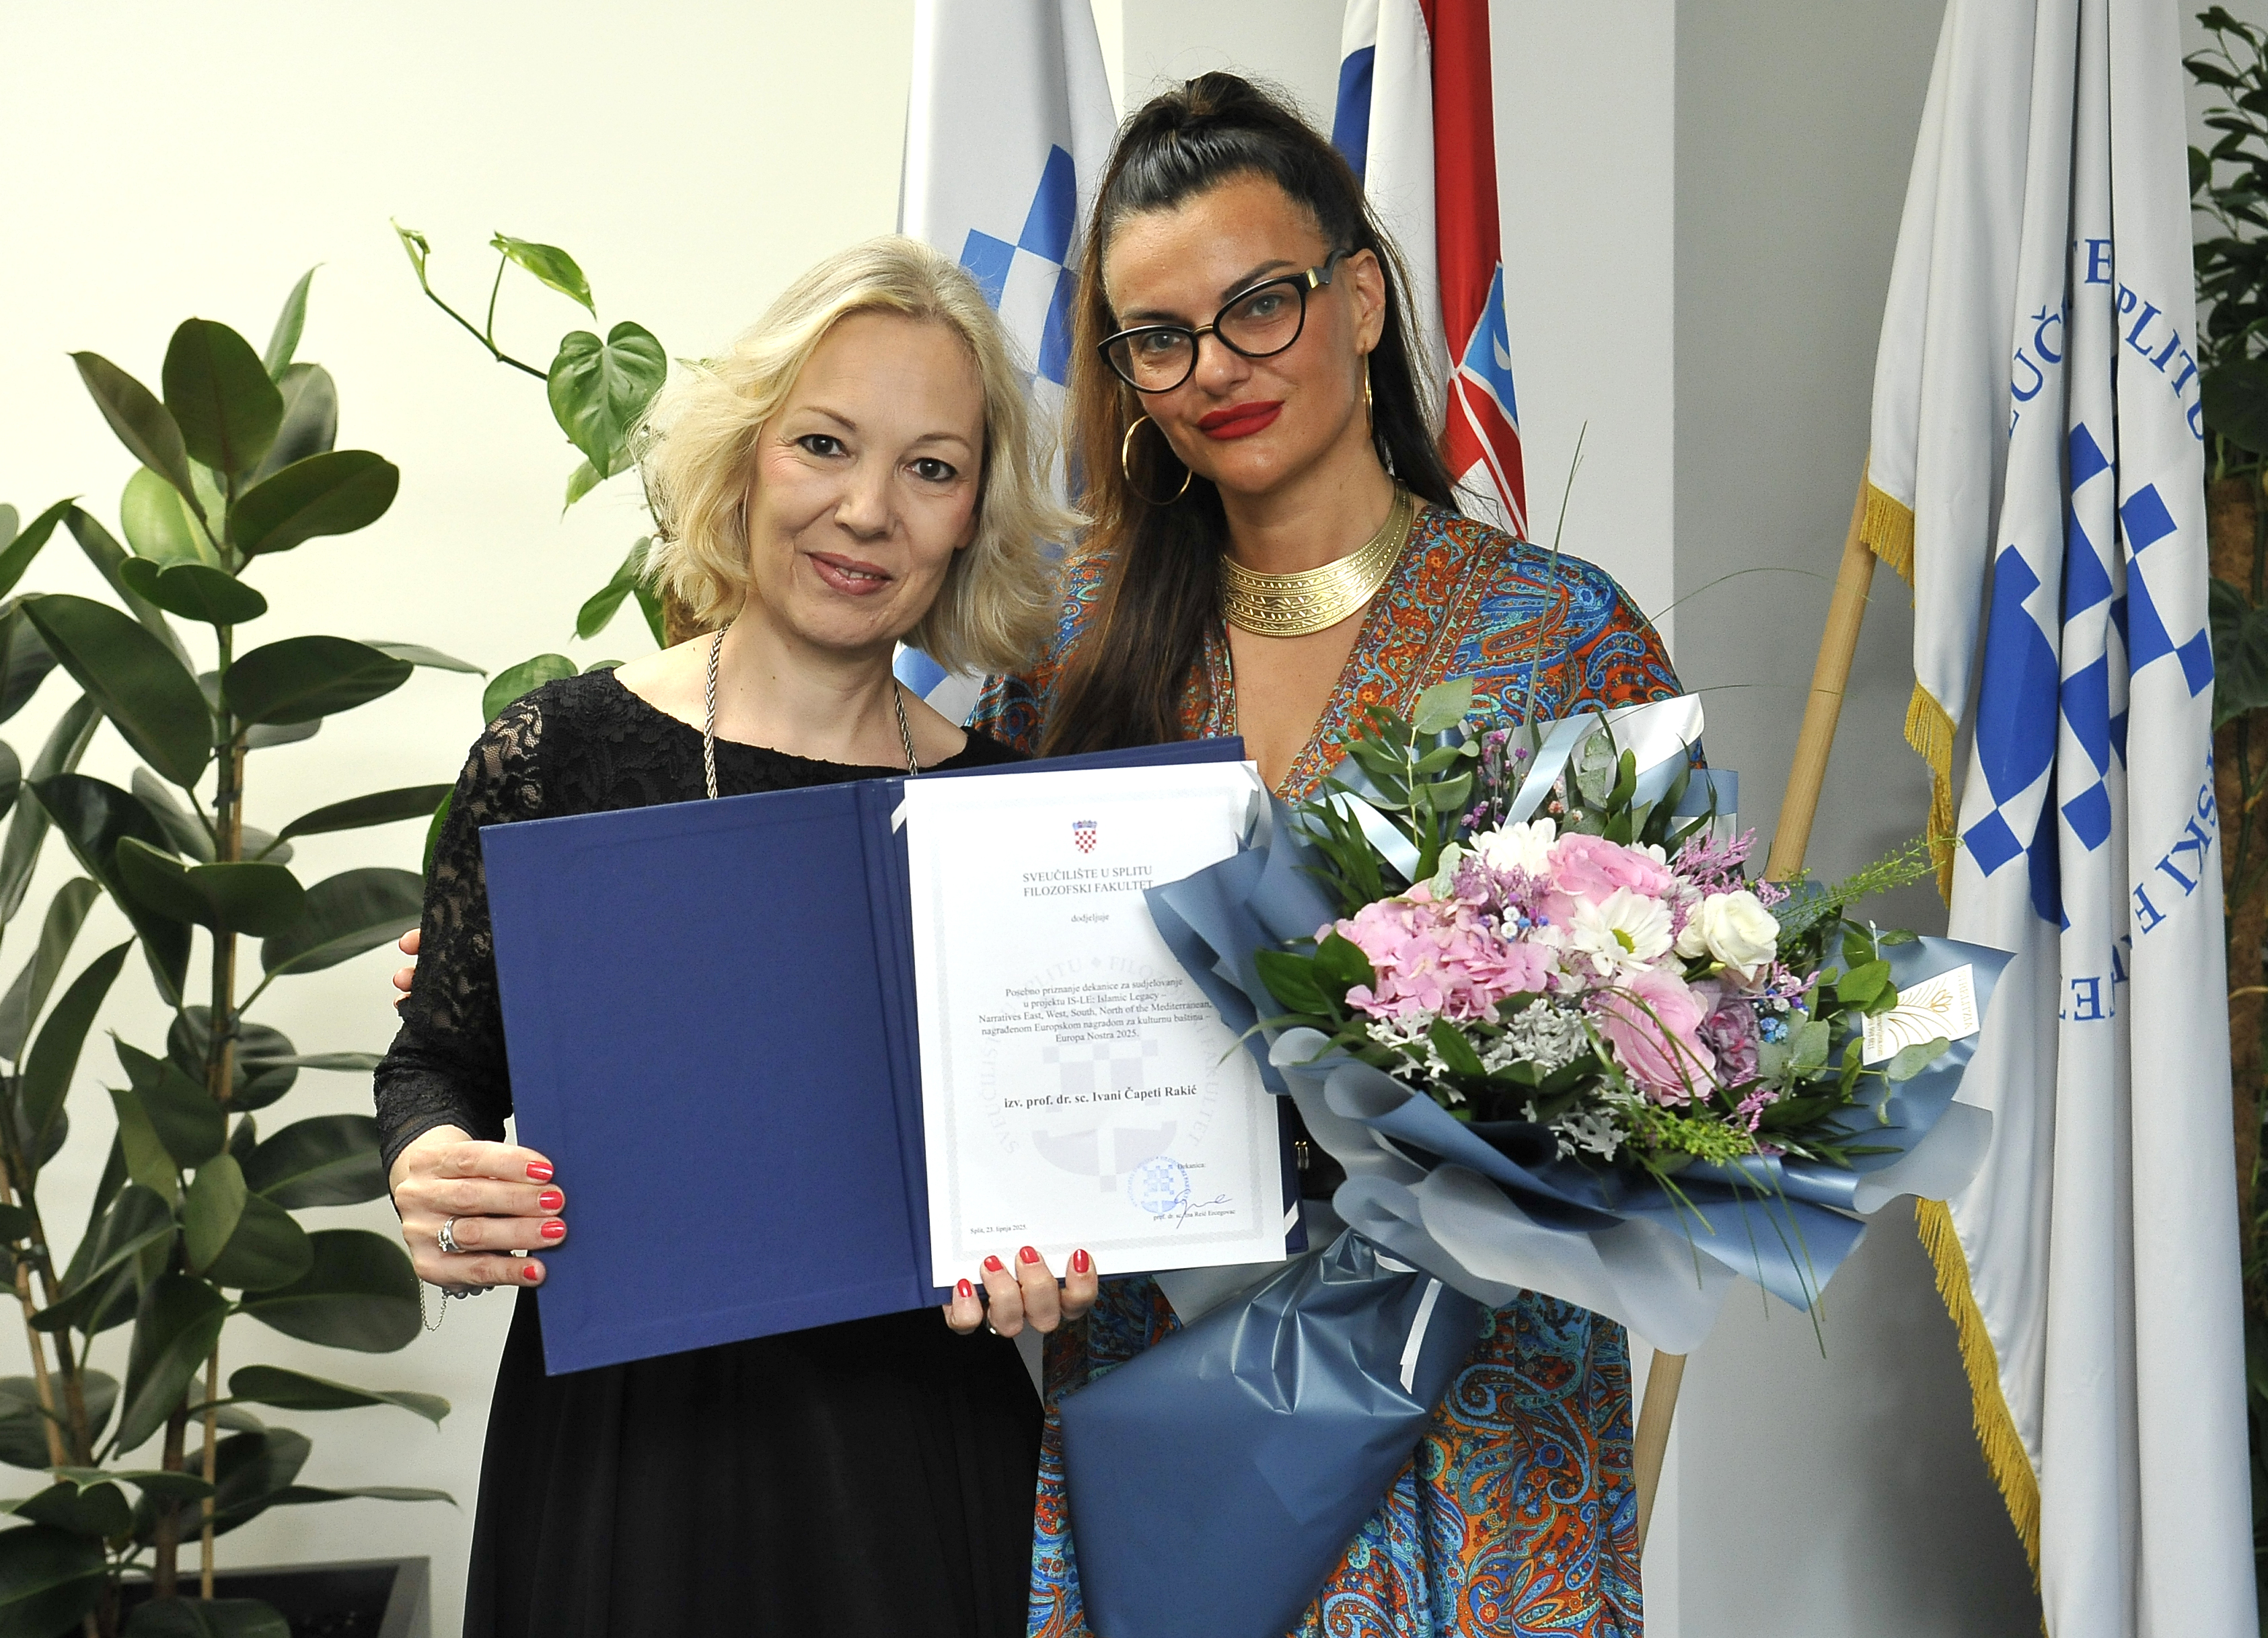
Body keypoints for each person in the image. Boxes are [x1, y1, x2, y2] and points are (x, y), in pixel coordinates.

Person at [968, 75, 1679, 1638]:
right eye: (1159, 338)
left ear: (1359, 300)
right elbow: (967, 979)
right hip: (1168, 1382)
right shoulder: (1070, 649)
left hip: (1478, 1389)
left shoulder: (1556, 634)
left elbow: (1683, 1040)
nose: (1214, 368)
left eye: (1258, 306)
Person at [375, 236, 1097, 1638]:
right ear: (748, 456)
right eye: (825, 444)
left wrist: (1058, 1258)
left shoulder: (1014, 817)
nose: (867, 511)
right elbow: (437, 1061)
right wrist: (429, 1162)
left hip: (915, 1456)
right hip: (622, 1457)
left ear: (973, 517)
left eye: (931, 468)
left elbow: (1064, 1155)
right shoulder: (555, 753)